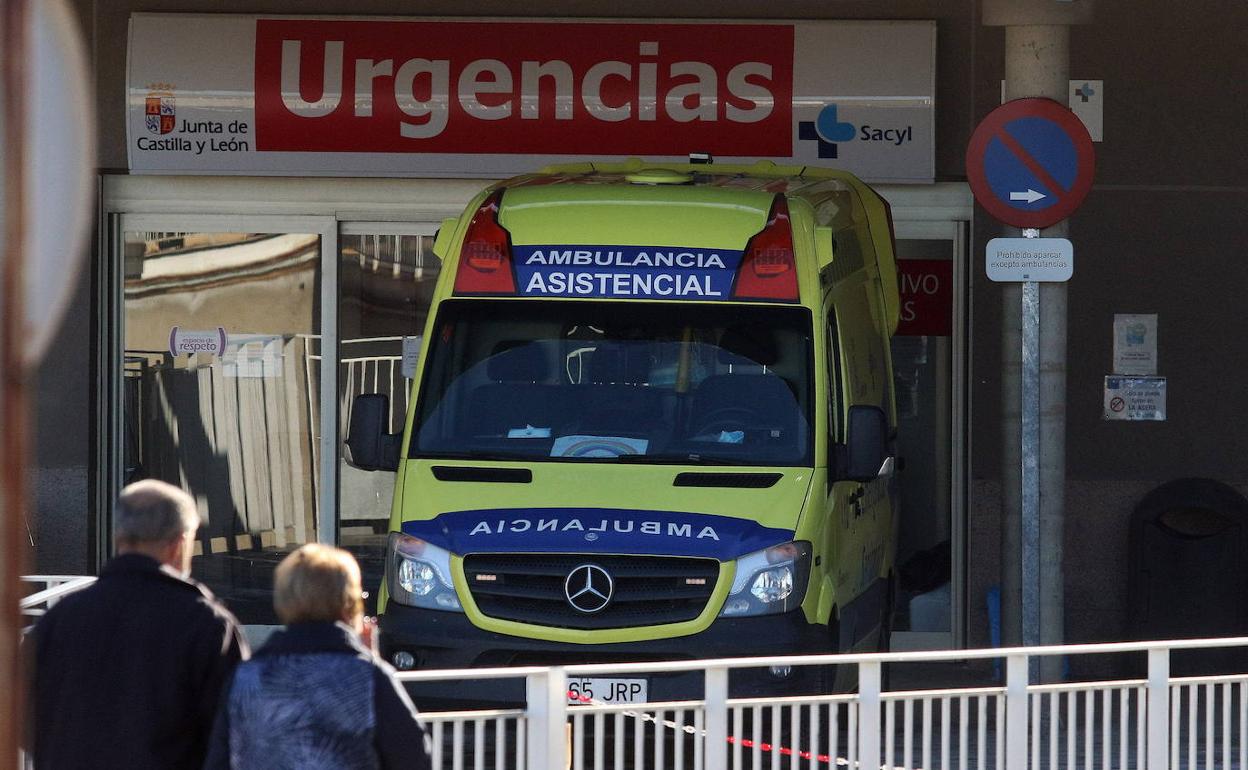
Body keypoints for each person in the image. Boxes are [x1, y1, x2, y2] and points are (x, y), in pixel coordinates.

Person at [31, 479, 248, 769]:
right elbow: (237, 730)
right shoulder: (207, 624)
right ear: (180, 543)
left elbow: (18, 714)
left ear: (119, 538)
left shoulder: (60, 618)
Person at [205, 544, 432, 769]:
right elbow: (412, 757)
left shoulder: (245, 678)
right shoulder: (367, 679)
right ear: (348, 603)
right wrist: (368, 659)